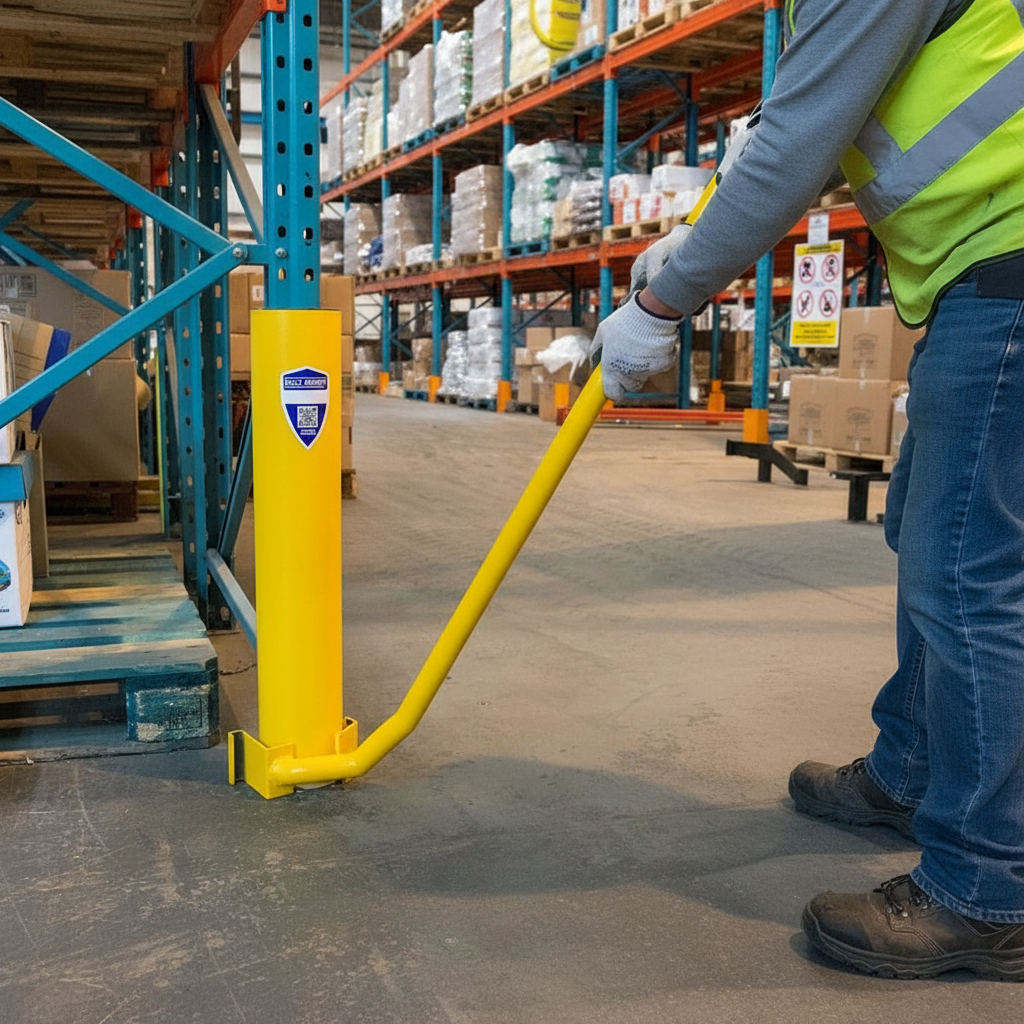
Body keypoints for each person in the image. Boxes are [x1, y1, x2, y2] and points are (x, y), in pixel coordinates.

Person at [593, 0, 1024, 980]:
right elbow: (819, 125)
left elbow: (795, 145)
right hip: (985, 269)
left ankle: (987, 887)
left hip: (1008, 263)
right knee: (930, 535)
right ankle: (912, 769)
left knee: (966, 576)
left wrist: (663, 300)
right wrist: (692, 236)